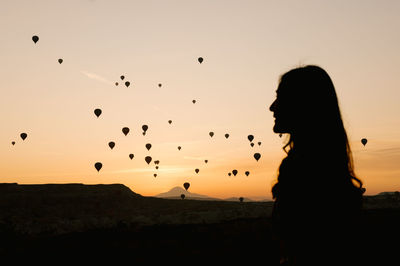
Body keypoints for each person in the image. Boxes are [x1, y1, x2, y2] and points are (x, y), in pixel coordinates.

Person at [269, 65, 365, 265]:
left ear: (302, 104)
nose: (272, 106)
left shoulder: (301, 171)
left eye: (280, 97)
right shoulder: (326, 168)